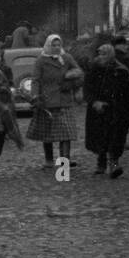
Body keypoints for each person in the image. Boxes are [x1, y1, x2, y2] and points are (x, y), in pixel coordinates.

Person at [26, 34, 83, 170]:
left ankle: (64, 164)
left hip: (64, 100)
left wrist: (70, 78)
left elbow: (79, 72)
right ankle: (49, 160)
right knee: (48, 133)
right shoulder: (41, 60)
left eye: (59, 45)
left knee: (66, 134)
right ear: (48, 45)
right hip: (47, 101)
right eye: (54, 45)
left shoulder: (67, 58)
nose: (57, 48)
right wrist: (35, 96)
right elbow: (36, 80)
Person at [84, 42, 129, 177]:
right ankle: (101, 162)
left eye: (104, 54)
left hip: (117, 109)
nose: (101, 57)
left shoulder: (121, 70)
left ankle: (114, 164)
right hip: (99, 109)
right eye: (99, 54)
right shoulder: (94, 69)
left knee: (116, 137)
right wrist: (94, 101)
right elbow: (87, 88)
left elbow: (126, 92)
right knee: (101, 136)